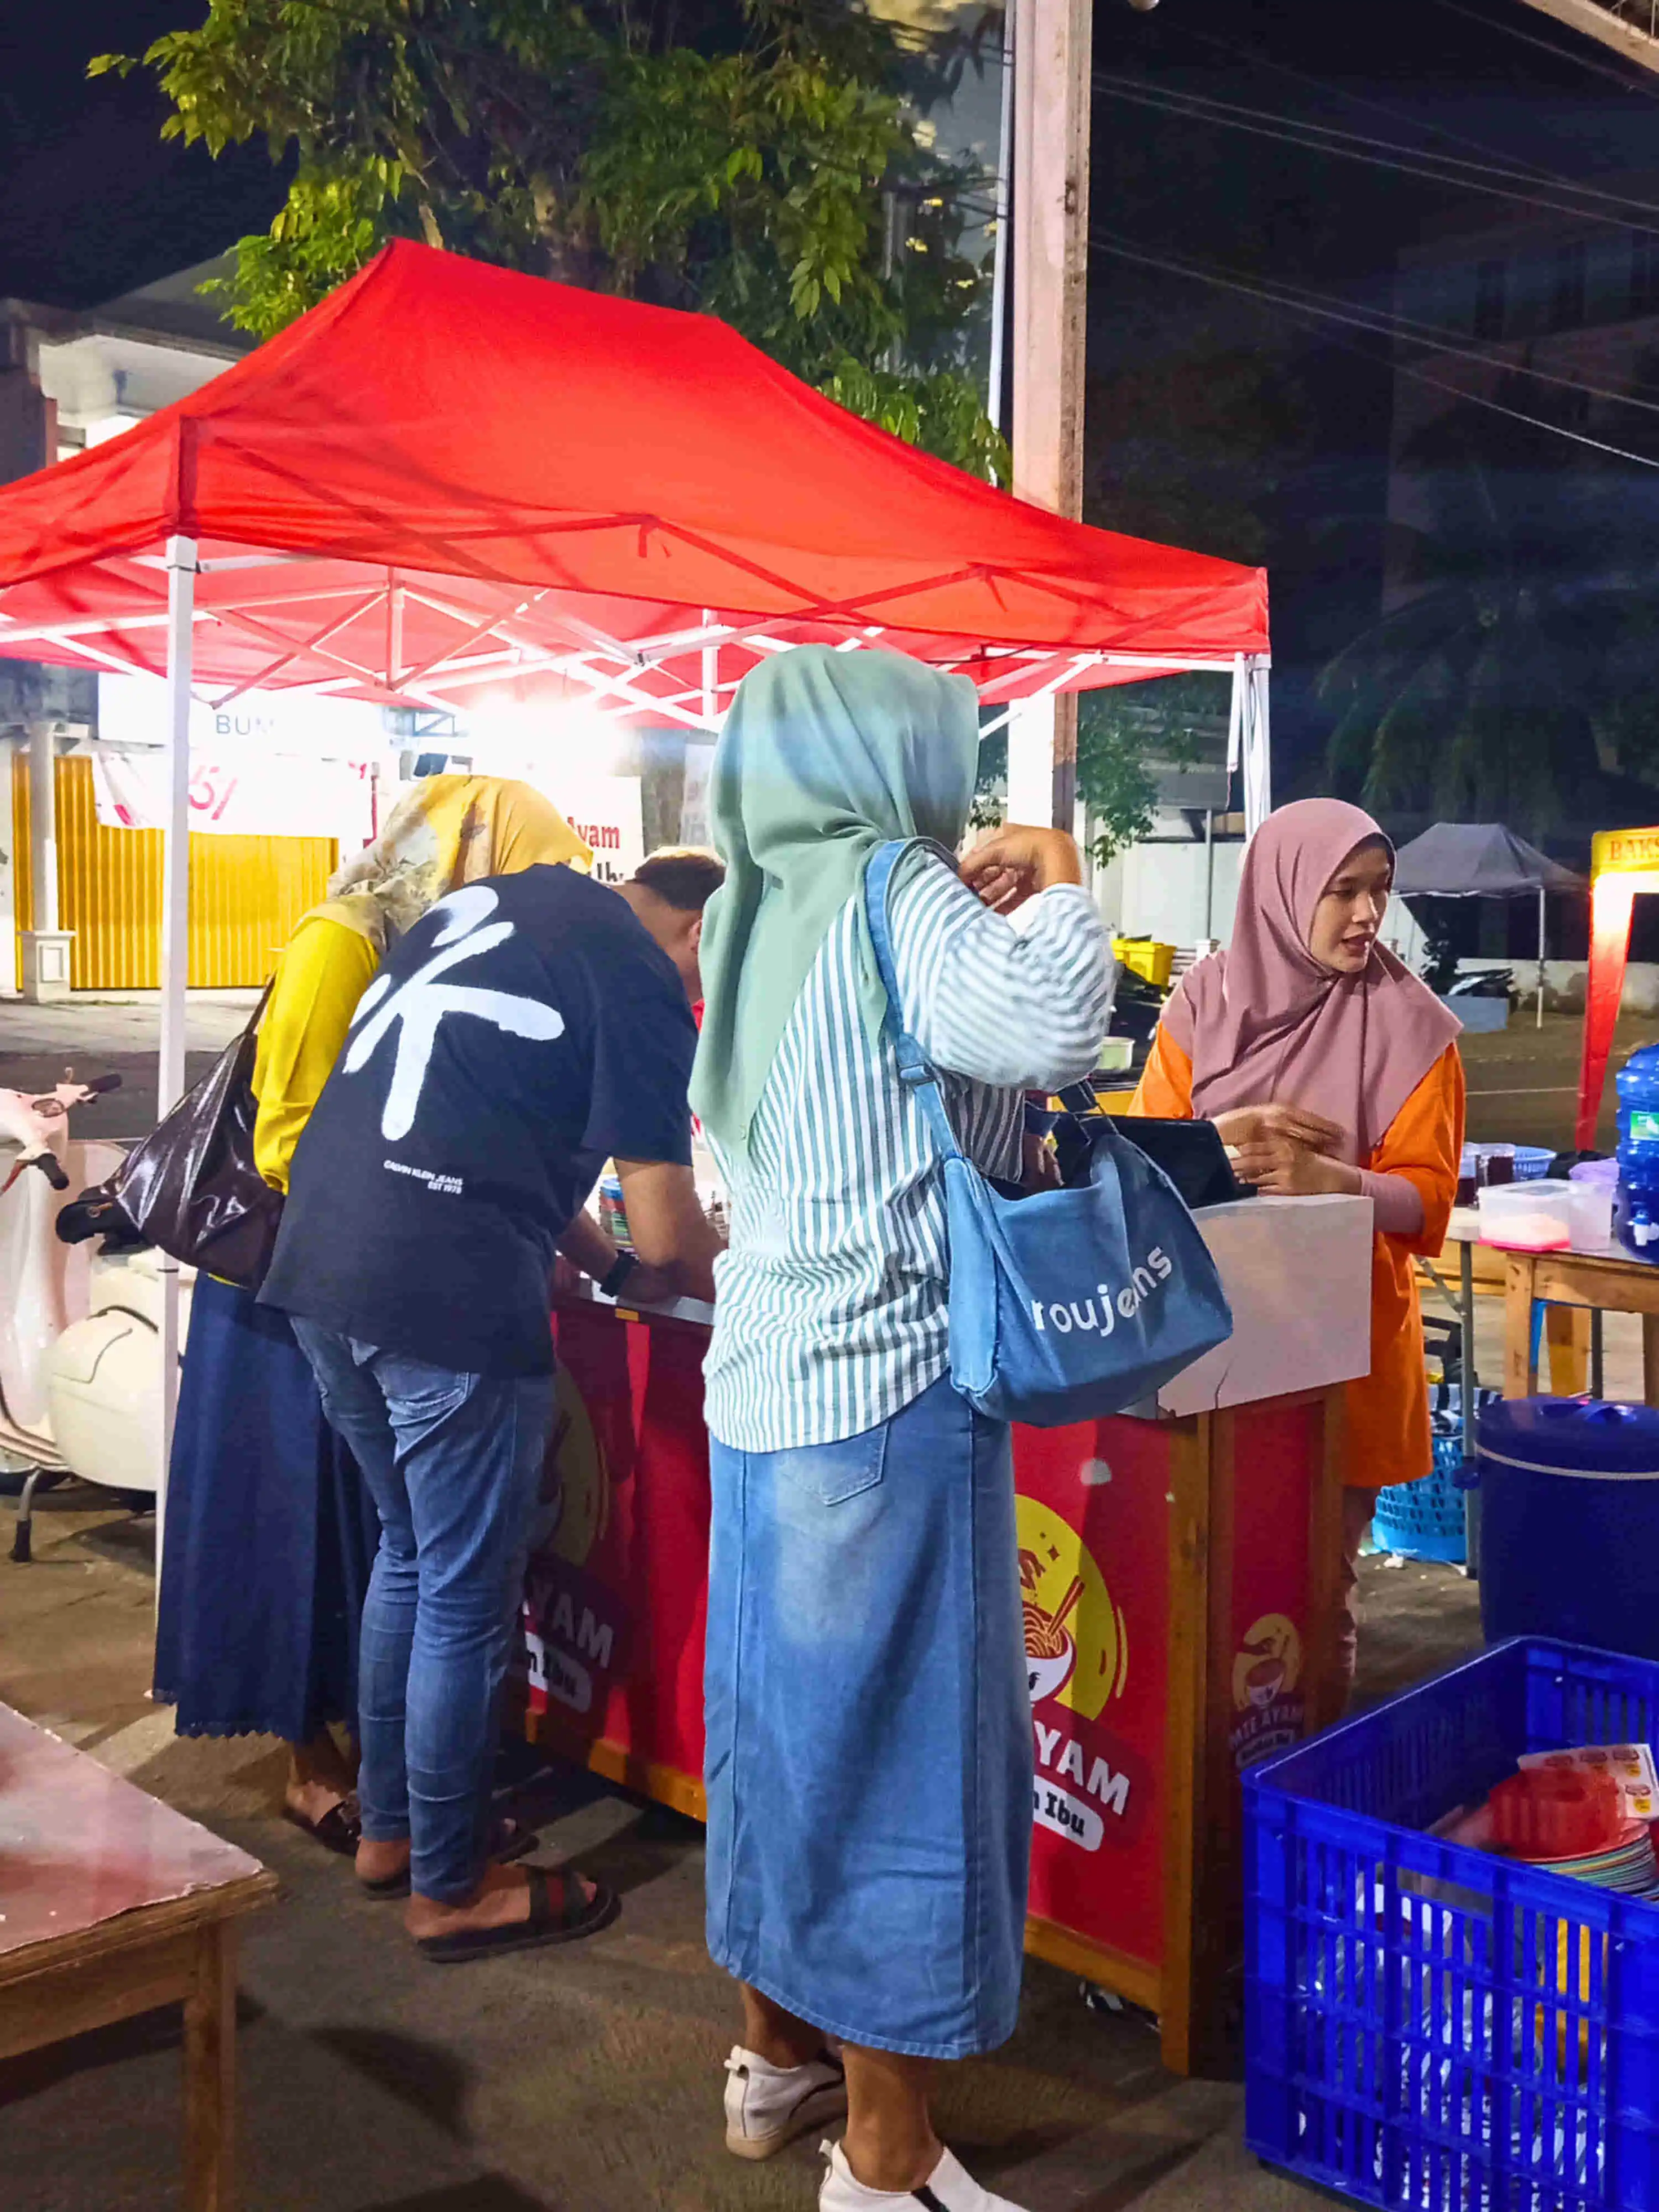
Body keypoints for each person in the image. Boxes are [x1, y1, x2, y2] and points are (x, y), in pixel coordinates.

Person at [691, 647, 1115, 2212]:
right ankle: (887, 2160)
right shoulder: (887, 877)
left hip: (763, 1387)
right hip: (883, 1397)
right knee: (902, 1768)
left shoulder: (755, 902)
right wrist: (1063, 872)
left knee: (782, 1741)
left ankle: (776, 2056)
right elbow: (1057, 1023)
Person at [260, 839, 724, 1961]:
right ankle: (455, 1880)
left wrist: (604, 1264)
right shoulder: (645, 981)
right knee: (466, 1591)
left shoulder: (501, 906)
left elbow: (494, 1134)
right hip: (445, 1294)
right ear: (707, 930)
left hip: (322, 1265)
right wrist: (753, 1270)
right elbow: (671, 1229)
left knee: (411, 1556)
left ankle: (396, 1828)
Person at [155, 776, 593, 1852]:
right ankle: (327, 1769)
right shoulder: (340, 939)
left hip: (357, 1282)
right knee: (308, 1535)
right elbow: (286, 1141)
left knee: (393, 1546)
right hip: (288, 1290)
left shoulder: (435, 950)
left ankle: (391, 1798)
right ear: (465, 856)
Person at [1128, 797, 1464, 1689]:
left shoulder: (1412, 1026)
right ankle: (1203, 1807)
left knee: (1315, 1591)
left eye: (1379, 891)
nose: (1366, 914)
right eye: (1342, 891)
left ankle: (1297, 1790)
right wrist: (1223, 1141)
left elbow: (1429, 1204)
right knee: (1200, 1577)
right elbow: (1138, 1165)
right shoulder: (1204, 1002)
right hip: (1208, 1344)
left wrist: (1337, 1185)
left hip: (1341, 1355)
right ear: (1280, 892)